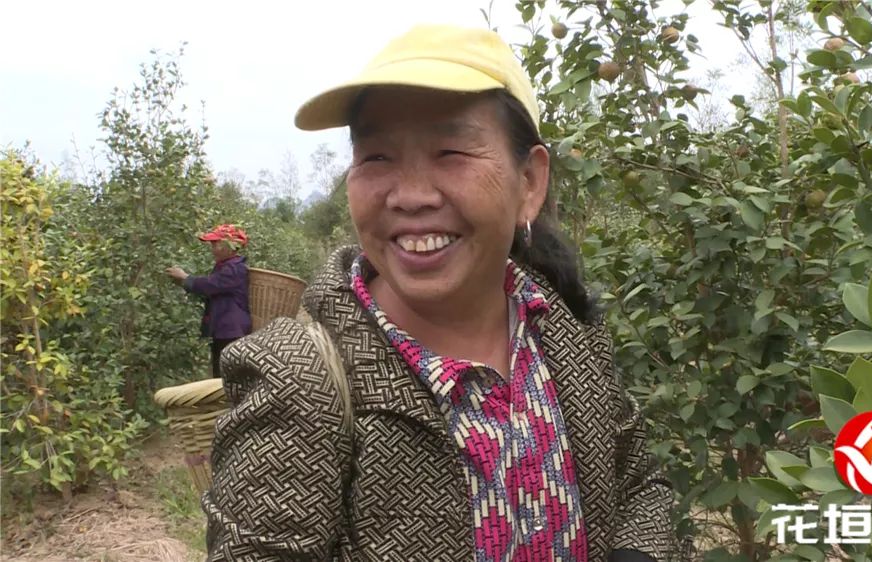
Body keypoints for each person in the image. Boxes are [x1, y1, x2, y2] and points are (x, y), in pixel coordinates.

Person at [202, 25, 692, 561]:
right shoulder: (300, 379)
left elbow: (637, 483)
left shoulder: (561, 326)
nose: (410, 196)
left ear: (529, 181)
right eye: (377, 157)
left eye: (450, 151)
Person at [166, 224, 251, 379]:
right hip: (224, 330)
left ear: (230, 246)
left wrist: (186, 278)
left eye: (215, 244)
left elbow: (211, 285)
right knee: (222, 374)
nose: (212, 248)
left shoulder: (235, 269)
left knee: (228, 377)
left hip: (231, 332)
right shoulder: (225, 266)